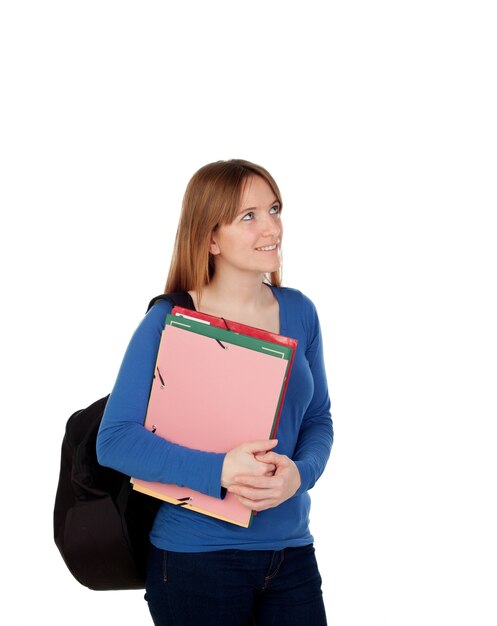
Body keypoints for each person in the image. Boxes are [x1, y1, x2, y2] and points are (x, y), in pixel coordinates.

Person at [96, 159, 333, 625]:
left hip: (291, 555)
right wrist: (219, 469)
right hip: (195, 560)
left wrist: (300, 475)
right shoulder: (167, 321)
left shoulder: (300, 311)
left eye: (274, 209)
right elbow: (116, 439)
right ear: (210, 238)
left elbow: (318, 419)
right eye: (249, 216)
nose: (272, 227)